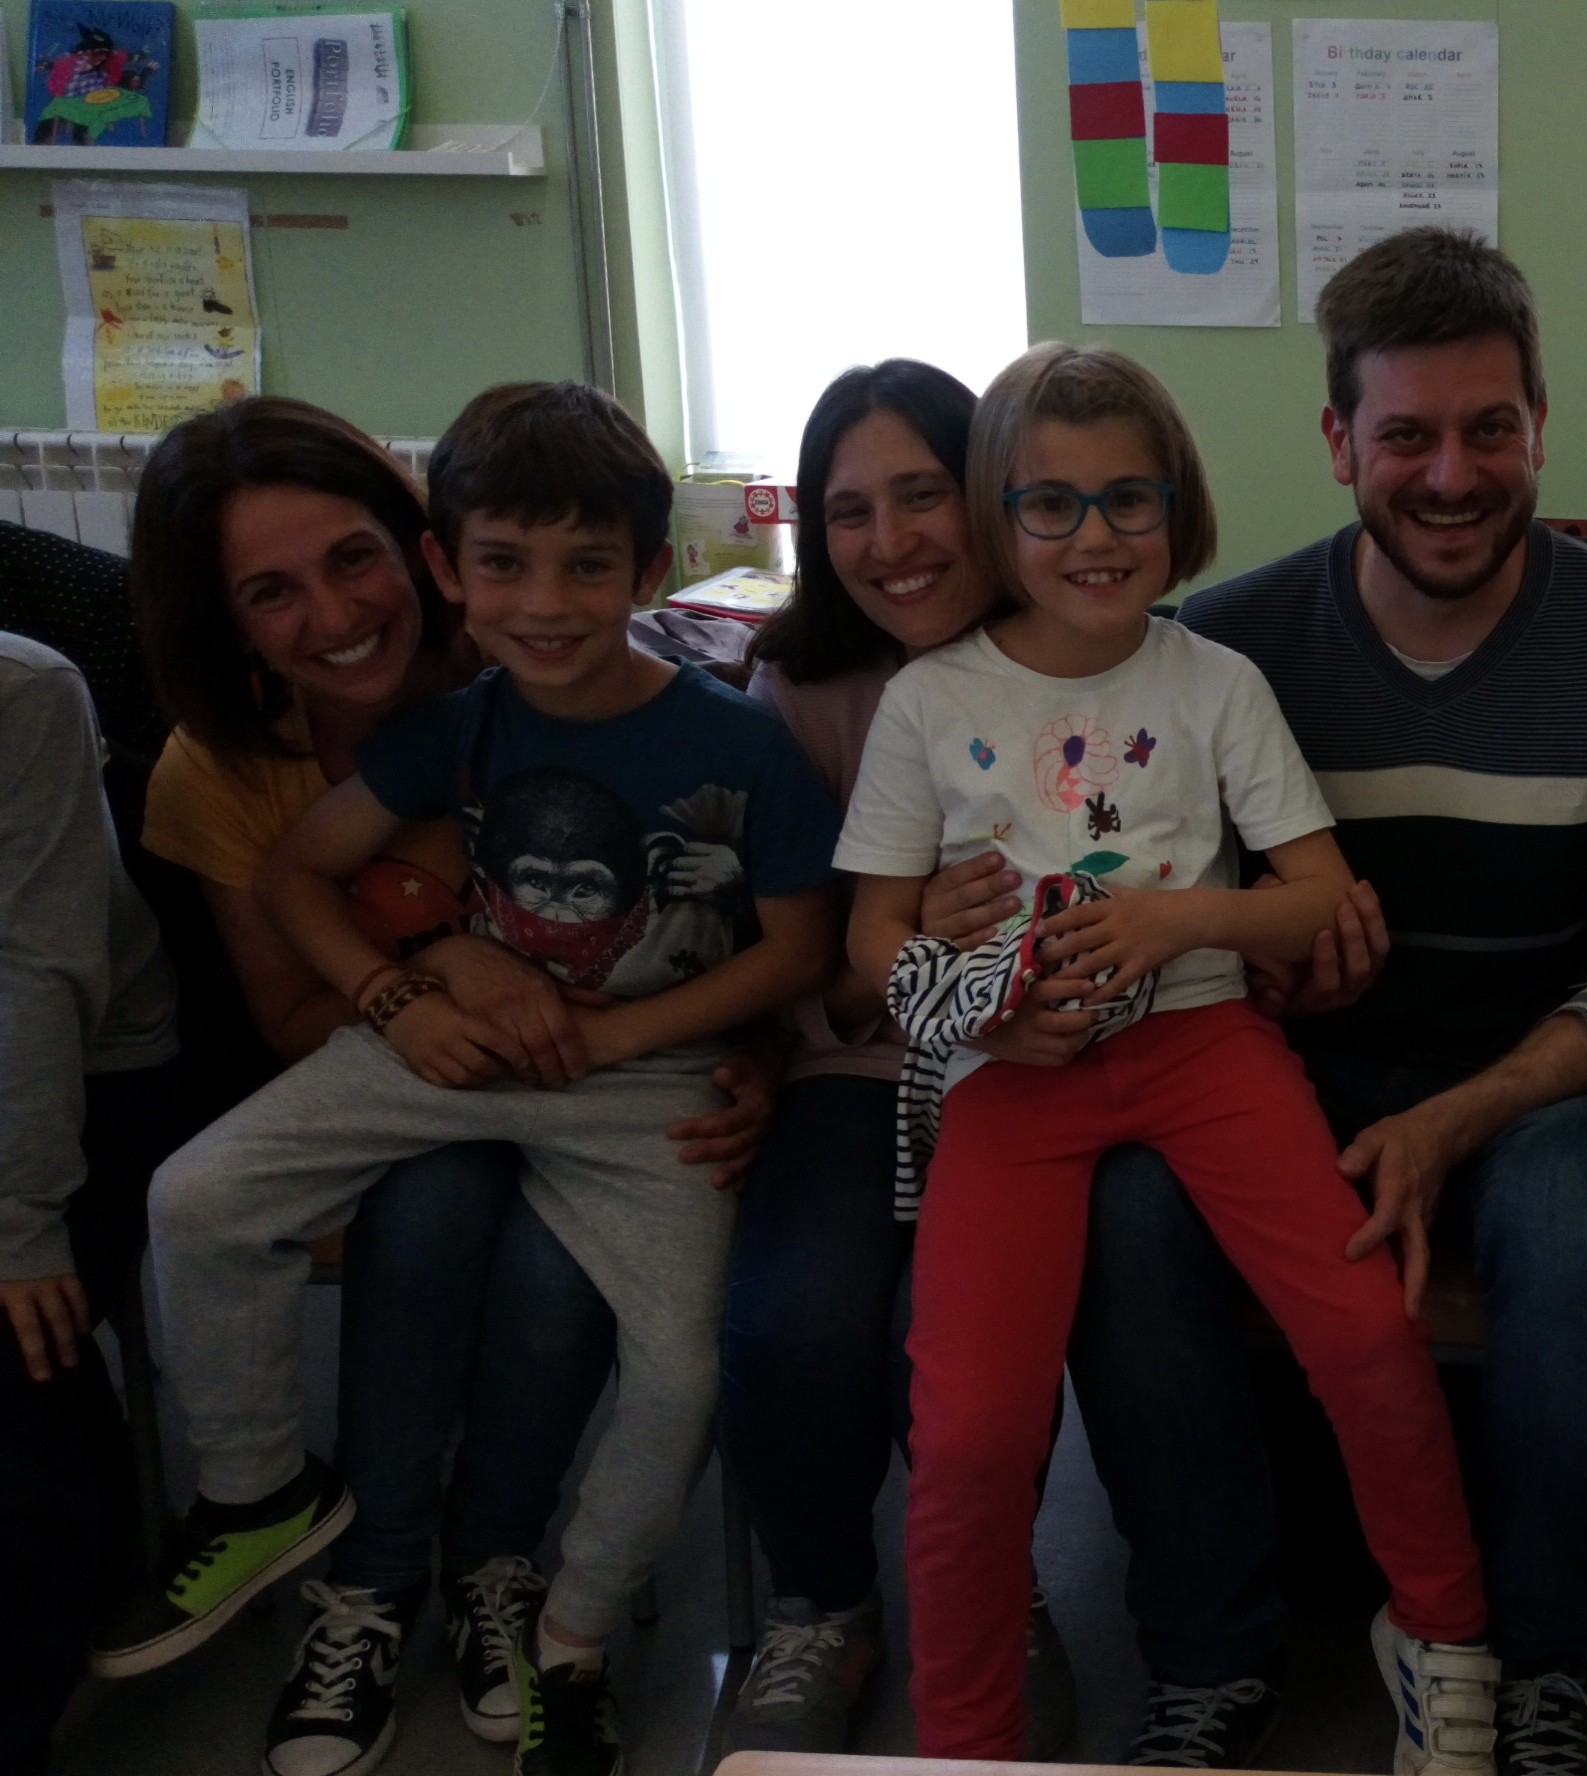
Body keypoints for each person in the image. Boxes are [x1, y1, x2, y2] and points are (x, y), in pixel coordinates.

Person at [1063, 226, 1587, 1774]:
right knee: (1133, 1212)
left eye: (1490, 430)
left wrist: (1453, 1120)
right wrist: (1268, 971)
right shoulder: (1222, 649)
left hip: (1539, 1083)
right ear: (1338, 440)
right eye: (1408, 435)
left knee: (1578, 1230)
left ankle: (1544, 1658)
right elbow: (1177, 928)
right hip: (1281, 1075)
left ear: (1540, 426)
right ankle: (1207, 1656)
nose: (1451, 475)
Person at [123, 381, 840, 1776]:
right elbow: (298, 877)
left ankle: (566, 1634)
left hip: (640, 1081)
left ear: (649, 569)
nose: (545, 603)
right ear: (452, 564)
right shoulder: (449, 732)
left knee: (687, 1366)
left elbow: (798, 948)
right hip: (440, 1057)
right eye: (504, 564)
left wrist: (643, 1039)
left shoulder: (733, 739)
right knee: (196, 1199)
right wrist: (398, 996)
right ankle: (266, 1494)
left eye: (587, 567)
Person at [839, 340, 1495, 1768]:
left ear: (1177, 509)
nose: (1096, 536)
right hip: (1012, 1079)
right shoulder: (931, 702)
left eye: (1129, 500)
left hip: (1204, 1041)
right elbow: (872, 939)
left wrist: (1173, 920)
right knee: (969, 1432)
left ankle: (1444, 1637)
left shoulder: (1214, 683)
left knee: (1365, 1334)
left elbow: (1317, 897)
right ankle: (967, 1741)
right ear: (999, 516)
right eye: (1052, 503)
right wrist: (985, 1011)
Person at [716, 358, 1077, 1755]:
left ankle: (988, 1591)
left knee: (956, 1337)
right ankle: (822, 1601)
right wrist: (895, 943)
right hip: (860, 1065)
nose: (891, 540)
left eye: (922, 494)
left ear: (989, 491)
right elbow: (801, 962)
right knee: (792, 1316)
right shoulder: (795, 691)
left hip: (1040, 1074)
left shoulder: (1088, 650)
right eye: (848, 511)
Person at [0, 632, 183, 1776]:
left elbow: (35, 974)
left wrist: (17, 1226)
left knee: (18, 1338)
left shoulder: (23, 694)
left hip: (80, 1075)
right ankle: (103, 1538)